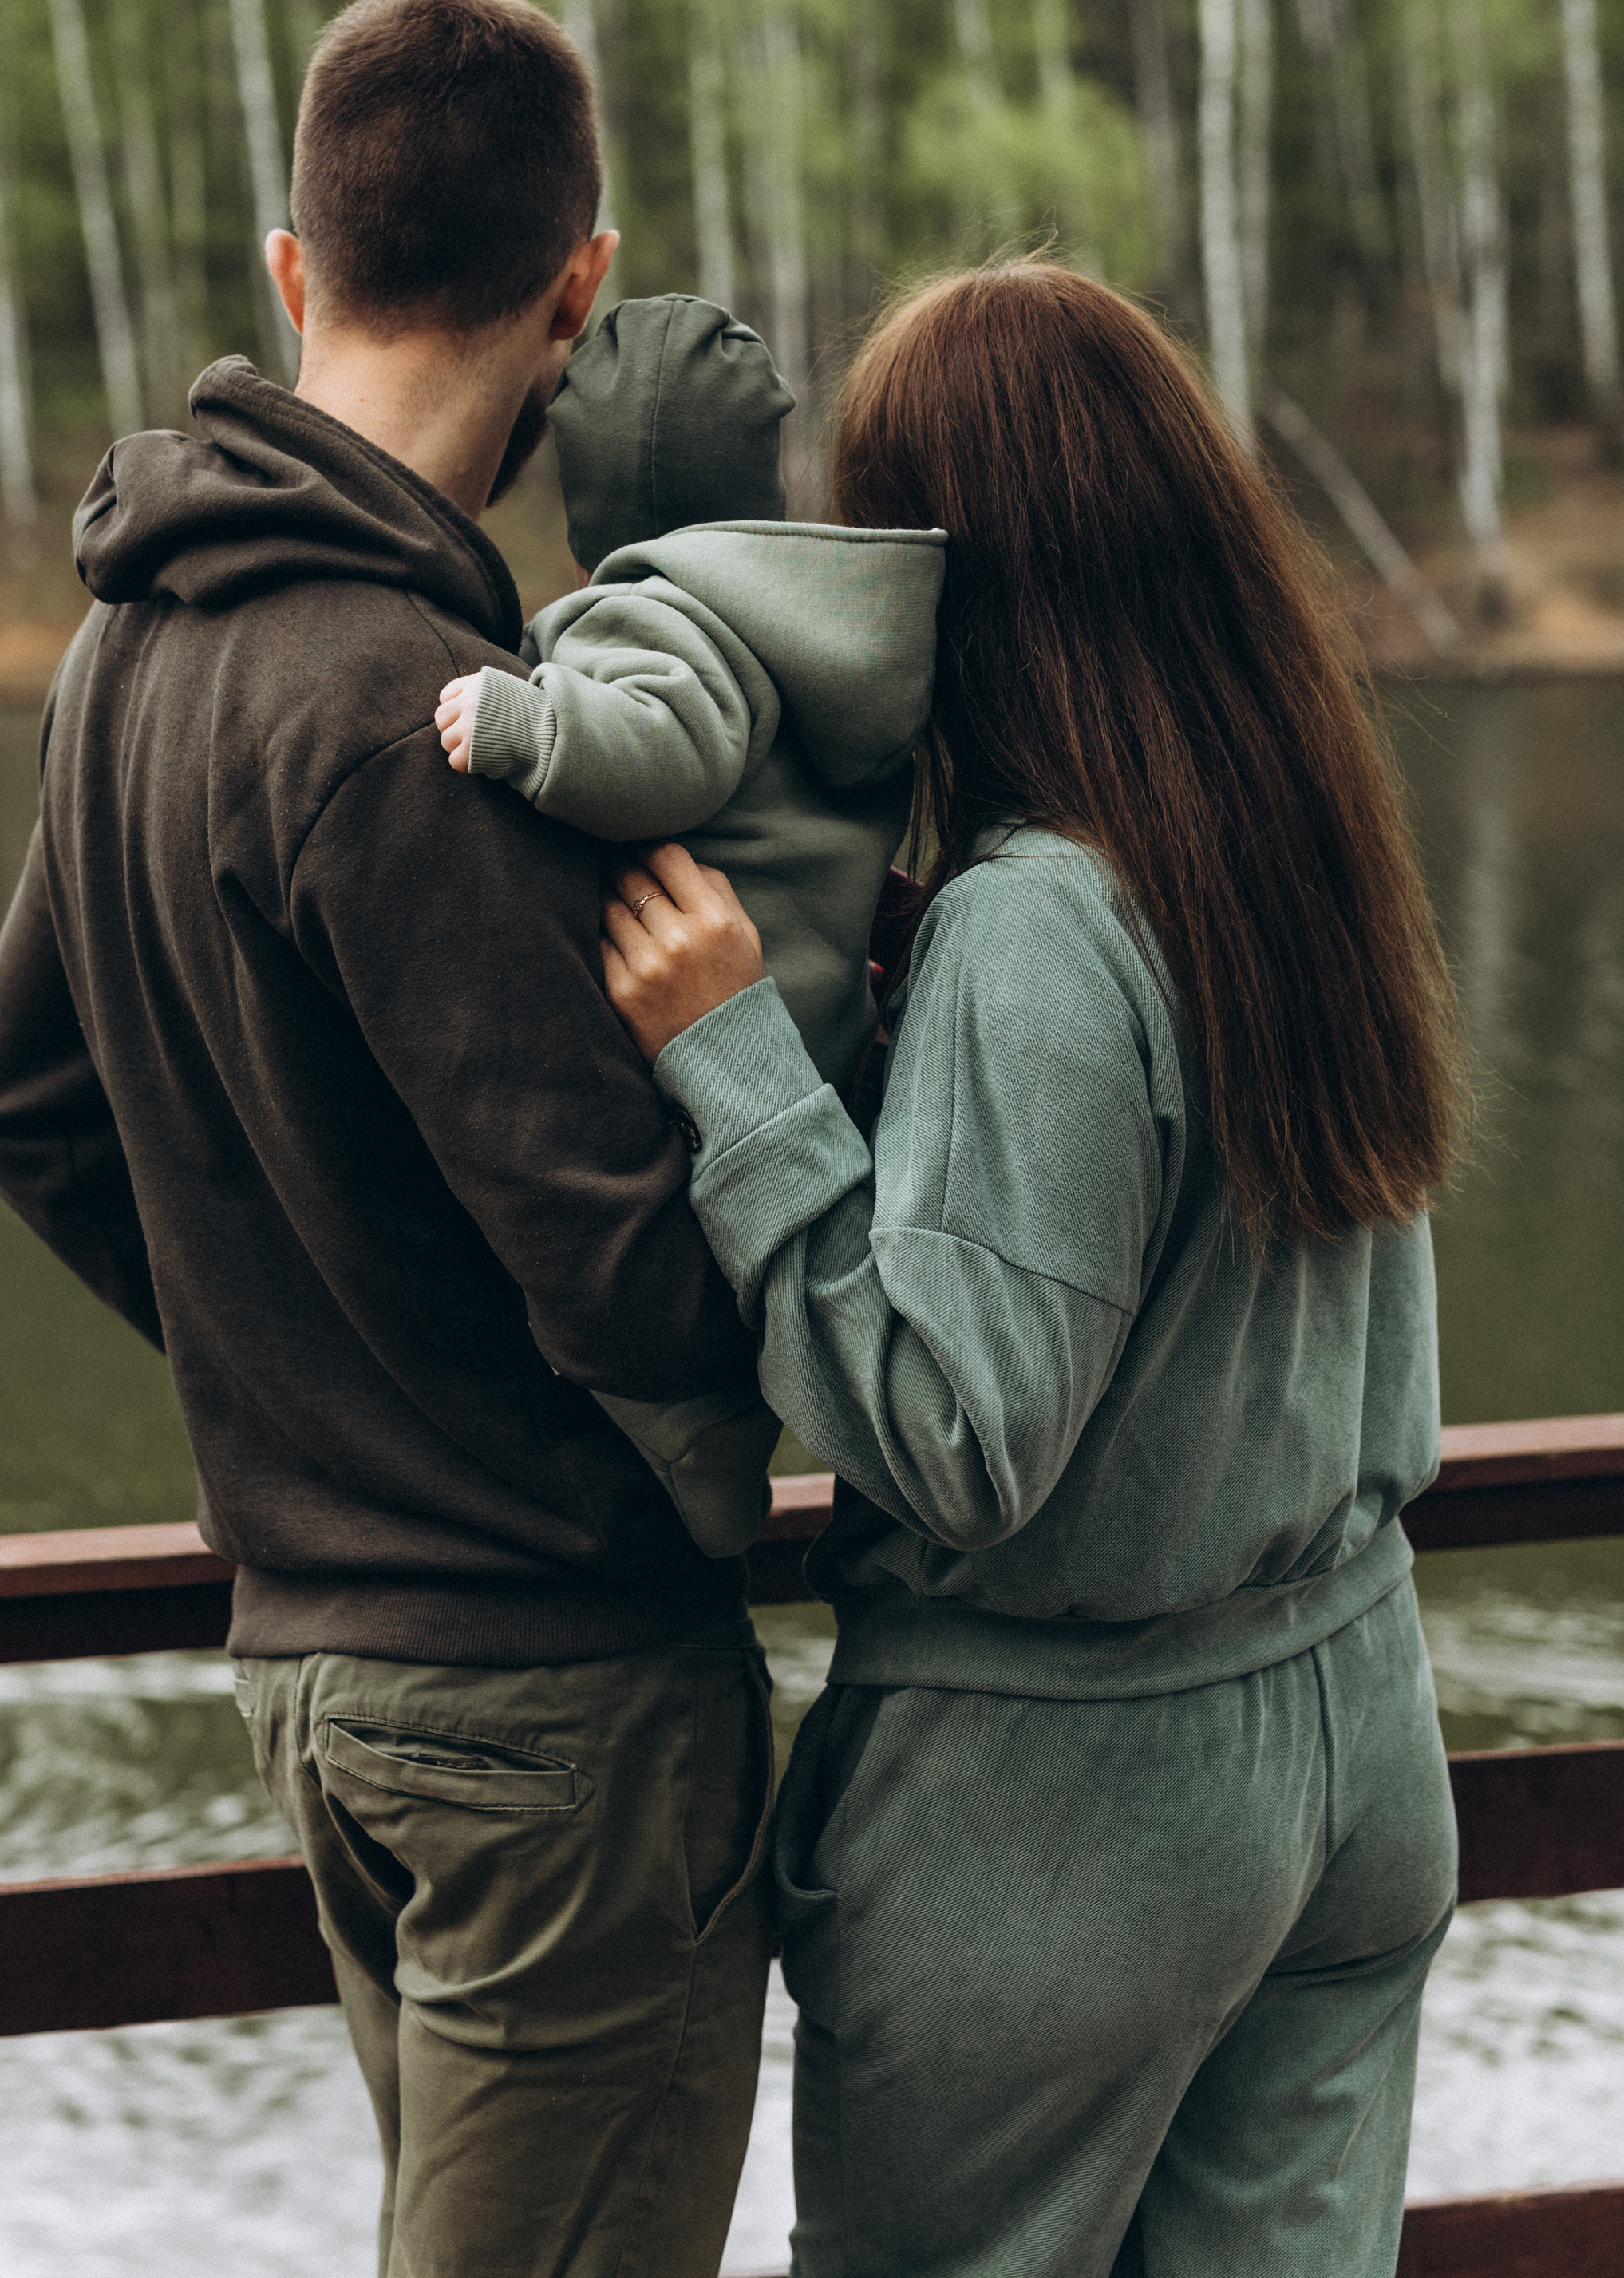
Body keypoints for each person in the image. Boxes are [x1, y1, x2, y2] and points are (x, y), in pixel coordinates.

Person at [0, 0, 774, 2278]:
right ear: (581, 291)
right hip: (549, 1703)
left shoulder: (126, 653)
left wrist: (296, 1360)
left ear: (292, 267)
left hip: (322, 1683)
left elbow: (24, 1108)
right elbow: (618, 1253)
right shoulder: (420, 713)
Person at [595, 259, 1465, 2278]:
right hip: (1352, 1734)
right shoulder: (1293, 836)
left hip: (1071, 1806)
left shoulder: (1040, 924)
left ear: (949, 576)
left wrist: (738, 1068)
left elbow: (964, 1436)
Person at [434, 291, 946, 1555]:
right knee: (723, 1289)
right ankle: (715, 1471)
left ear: (587, 517)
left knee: (650, 1278)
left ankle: (698, 1486)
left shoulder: (657, 613)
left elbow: (669, 747)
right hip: (808, 1027)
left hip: (715, 1029)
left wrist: (526, 724)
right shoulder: (800, 626)